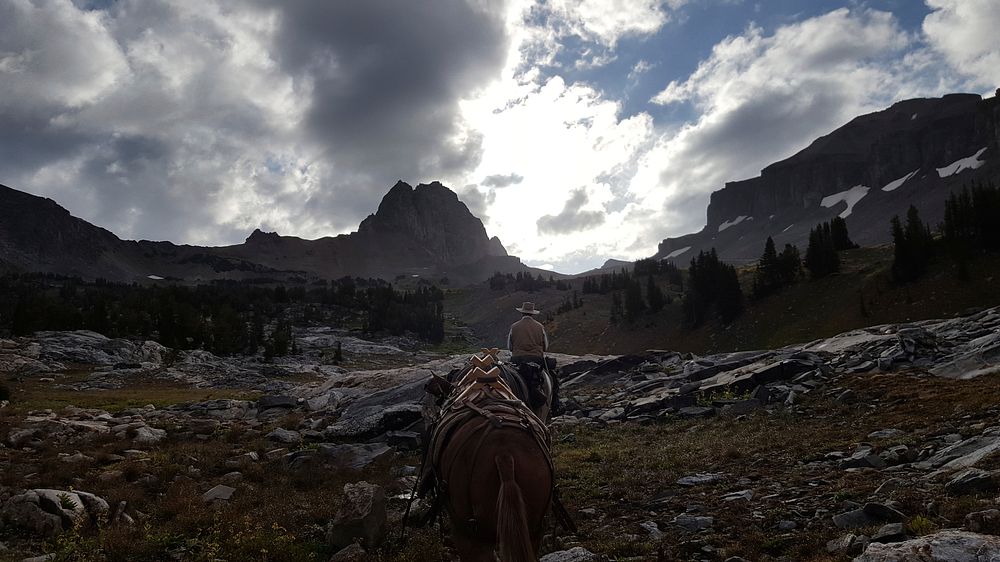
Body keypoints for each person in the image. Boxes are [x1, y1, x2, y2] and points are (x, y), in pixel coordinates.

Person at [507, 302, 559, 415]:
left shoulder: (514, 326)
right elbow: (545, 346)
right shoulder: (540, 327)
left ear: (522, 313)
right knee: (552, 377)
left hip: (517, 360)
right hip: (536, 359)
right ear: (532, 314)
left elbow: (509, 347)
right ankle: (555, 406)